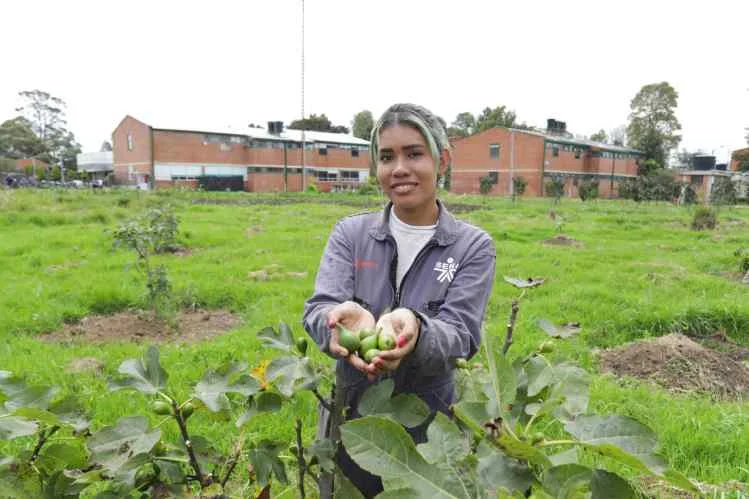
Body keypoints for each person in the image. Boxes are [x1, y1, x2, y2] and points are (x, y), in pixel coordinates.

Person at [303, 103, 496, 497]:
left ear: (441, 160)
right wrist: (335, 324)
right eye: (387, 157)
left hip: (428, 426)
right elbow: (319, 307)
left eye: (414, 153)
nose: (399, 169)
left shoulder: (472, 246)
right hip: (355, 421)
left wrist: (417, 330)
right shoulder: (351, 234)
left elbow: (461, 334)